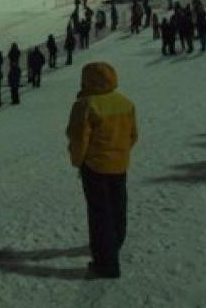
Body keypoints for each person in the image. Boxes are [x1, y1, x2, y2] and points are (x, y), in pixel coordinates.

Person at [65, 62, 138, 279]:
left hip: (95, 166)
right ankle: (115, 244)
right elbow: (133, 135)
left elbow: (79, 138)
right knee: (117, 206)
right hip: (119, 163)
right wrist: (120, 153)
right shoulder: (125, 102)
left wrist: (79, 162)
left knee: (99, 214)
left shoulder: (85, 105)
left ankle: (106, 264)